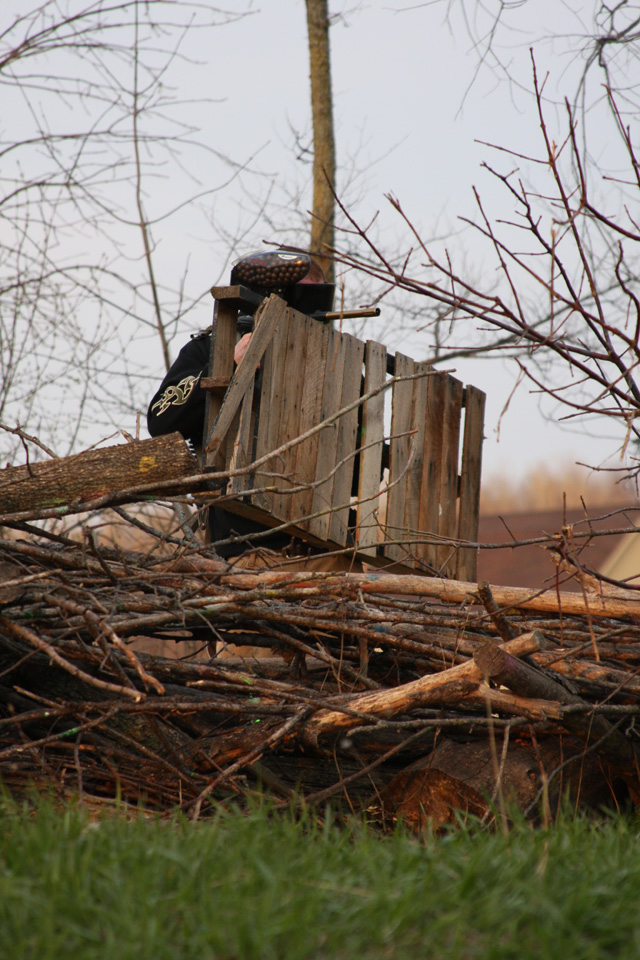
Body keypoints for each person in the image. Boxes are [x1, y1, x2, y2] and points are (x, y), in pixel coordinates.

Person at [147, 249, 359, 572]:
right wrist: (228, 367)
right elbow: (160, 419)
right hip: (244, 554)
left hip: (327, 553)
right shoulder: (210, 349)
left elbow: (356, 471)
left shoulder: (337, 367)